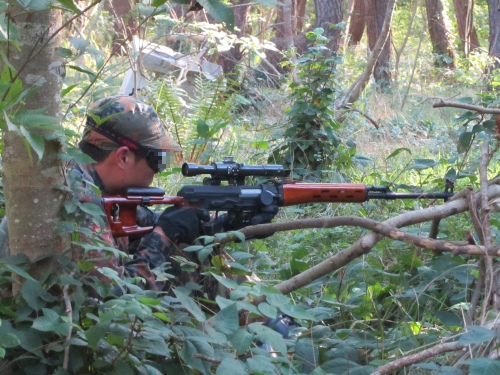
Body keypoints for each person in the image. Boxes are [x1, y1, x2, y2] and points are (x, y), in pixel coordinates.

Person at [0, 95, 210, 294]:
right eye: (158, 160)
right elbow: (115, 299)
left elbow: (138, 222)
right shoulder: (80, 201)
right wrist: (162, 235)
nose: (159, 169)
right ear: (123, 157)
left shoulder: (75, 172)